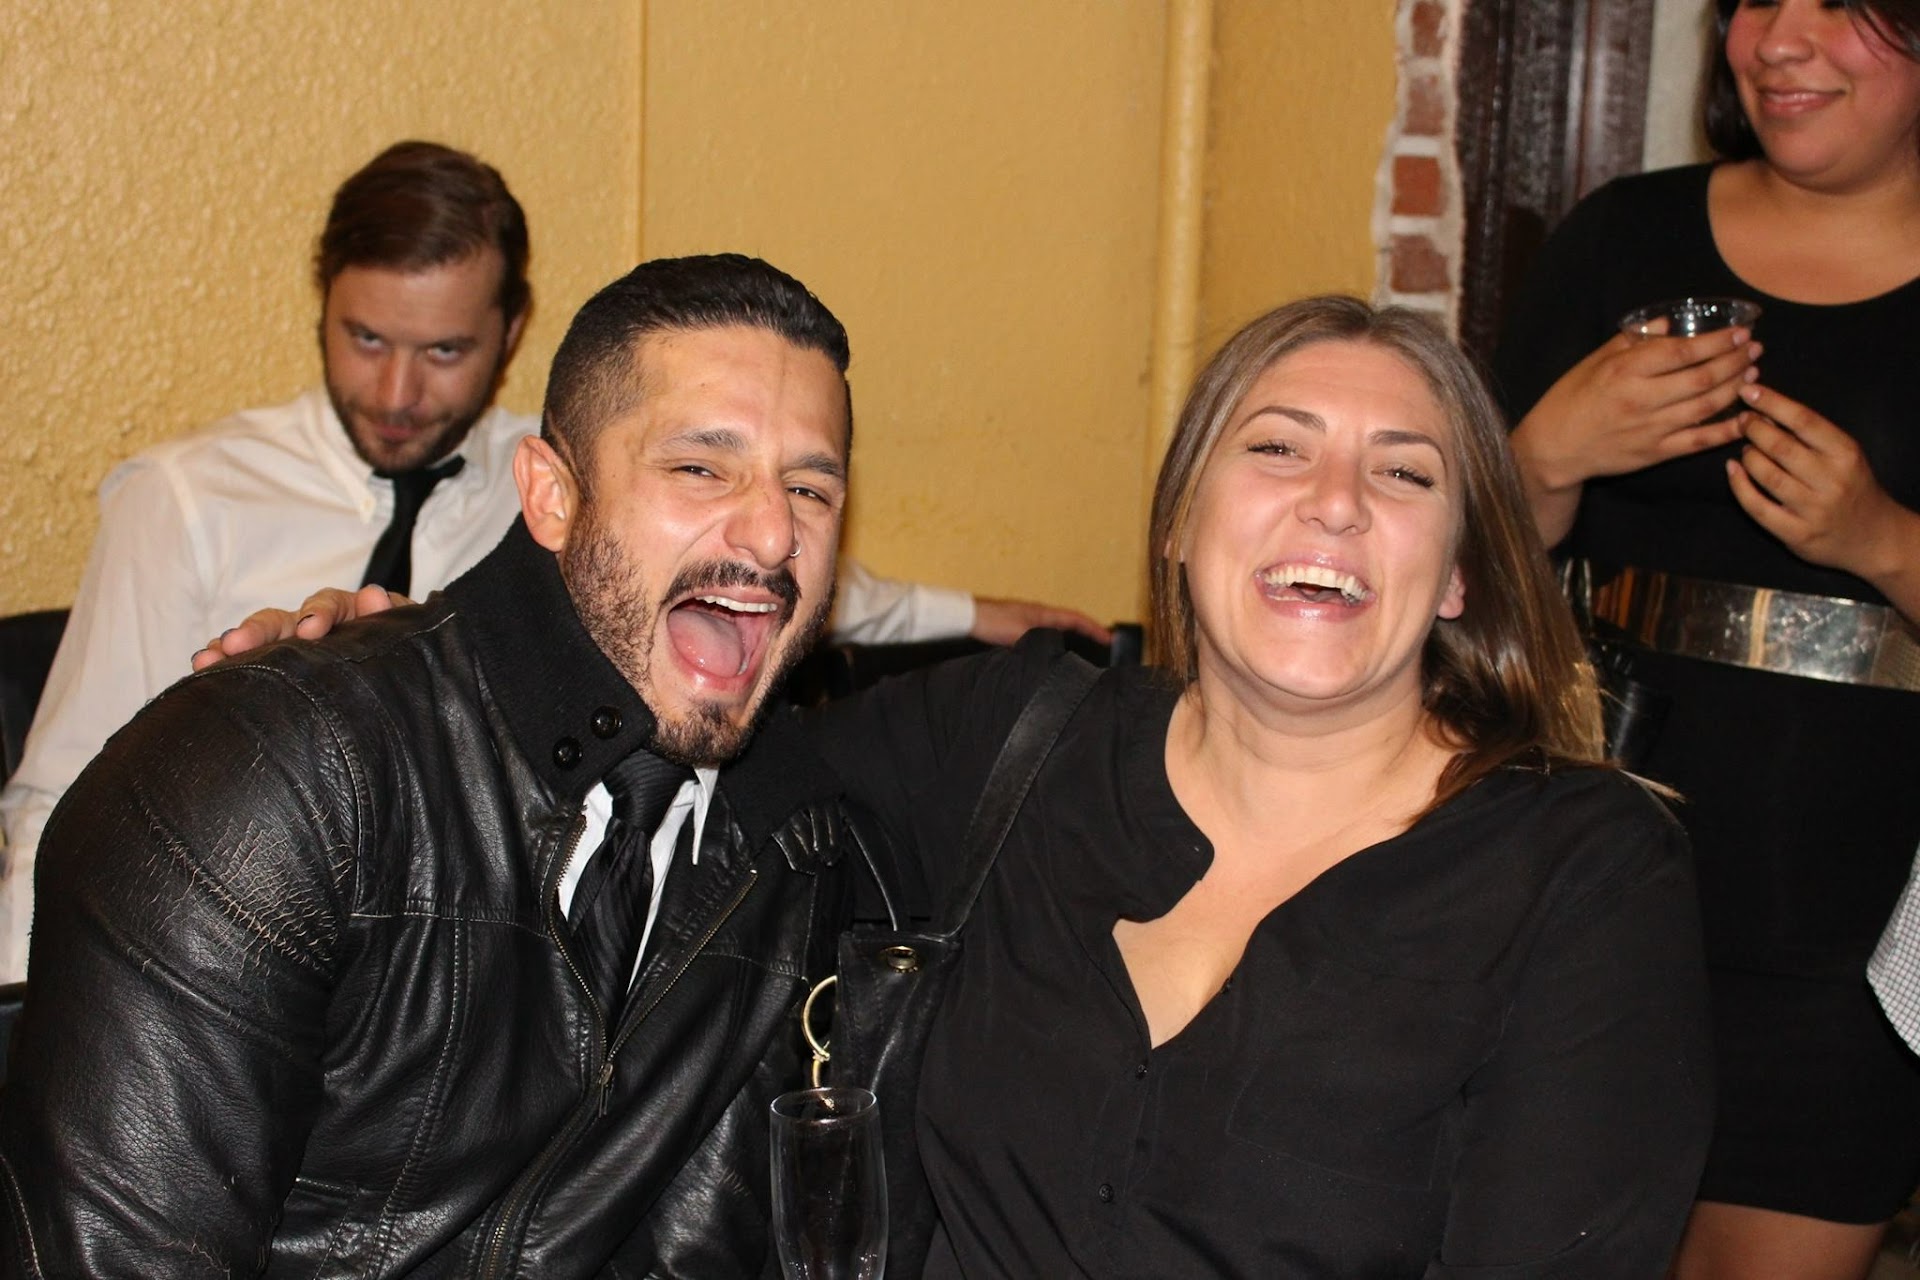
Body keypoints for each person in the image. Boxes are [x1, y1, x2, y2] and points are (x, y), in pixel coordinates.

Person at [0, 140, 1108, 985]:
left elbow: (748, 561)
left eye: (445, 350)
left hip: (508, 945)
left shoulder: (568, 468)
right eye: (365, 338)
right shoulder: (183, 498)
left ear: (511, 331)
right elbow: (61, 791)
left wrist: (978, 612)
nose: (397, 393)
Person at [0, 254, 873, 1276]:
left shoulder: (790, 845)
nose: (772, 534)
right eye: (700, 469)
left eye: (809, 487)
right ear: (551, 495)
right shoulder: (276, 777)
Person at [809, 297, 1714, 1275]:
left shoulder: (1585, 874)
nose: (1337, 501)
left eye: (1404, 472)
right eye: (1279, 448)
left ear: (1459, 574)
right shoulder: (1010, 735)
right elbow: (717, 766)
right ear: (1179, 521)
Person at [1491, 3, 1920, 1277]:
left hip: (1855, 939)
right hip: (1585, 887)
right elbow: (1444, 585)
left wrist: (1884, 540)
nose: (1778, 40)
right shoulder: (1624, 235)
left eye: (1838, 4)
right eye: (1754, 1)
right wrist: (1542, 459)